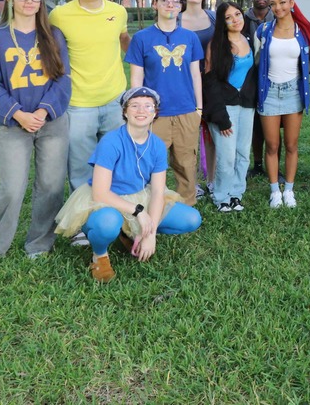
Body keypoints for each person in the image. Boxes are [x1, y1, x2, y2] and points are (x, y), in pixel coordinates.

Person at [54, 87, 202, 283]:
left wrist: (150, 234)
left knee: (192, 219)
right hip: (107, 199)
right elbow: (100, 193)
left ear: (155, 113)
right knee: (107, 224)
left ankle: (130, 234)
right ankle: (100, 255)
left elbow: (158, 191)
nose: (141, 111)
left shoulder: (157, 145)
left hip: (139, 195)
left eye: (148, 106)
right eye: (134, 106)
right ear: (125, 111)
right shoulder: (111, 141)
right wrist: (139, 212)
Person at [0, 0, 71, 263]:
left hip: (51, 123)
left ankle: (39, 243)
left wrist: (42, 112)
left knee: (51, 186)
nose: (30, 1)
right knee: (12, 187)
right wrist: (17, 113)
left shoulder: (53, 35)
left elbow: (63, 79)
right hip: (14, 124)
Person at [49, 0, 129, 245]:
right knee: (81, 167)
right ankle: (83, 223)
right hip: (78, 102)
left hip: (115, 99)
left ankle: (118, 218)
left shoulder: (118, 12)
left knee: (116, 162)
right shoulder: (59, 15)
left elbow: (124, 40)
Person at [126, 0, 204, 206]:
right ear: (155, 4)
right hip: (155, 114)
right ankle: (147, 208)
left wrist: (199, 109)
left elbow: (196, 75)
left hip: (186, 111)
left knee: (186, 164)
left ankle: (185, 207)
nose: (170, 5)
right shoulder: (142, 38)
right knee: (148, 164)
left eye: (175, 1)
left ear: (180, 6)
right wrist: (138, 111)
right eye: (164, 0)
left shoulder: (190, 38)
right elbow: (136, 79)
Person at [254, 0, 310, 208]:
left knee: (291, 144)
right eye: (273, 4)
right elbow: (255, 60)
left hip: (293, 91)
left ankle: (289, 190)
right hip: (269, 92)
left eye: (282, 2)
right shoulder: (263, 30)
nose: (278, 7)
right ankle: (275, 191)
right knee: (272, 145)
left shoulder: (303, 31)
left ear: (291, 4)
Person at [203, 2, 257, 213]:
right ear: (222, 22)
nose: (235, 20)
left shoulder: (249, 39)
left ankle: (236, 194)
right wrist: (220, 116)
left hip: (246, 105)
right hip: (224, 107)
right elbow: (210, 82)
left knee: (243, 154)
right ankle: (221, 197)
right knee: (227, 156)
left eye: (237, 14)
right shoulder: (216, 45)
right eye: (228, 17)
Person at [180, 0, 218, 197]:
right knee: (189, 135)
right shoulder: (176, 19)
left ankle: (212, 180)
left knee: (212, 133)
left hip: (212, 82)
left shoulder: (213, 18)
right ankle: (192, 183)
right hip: (185, 82)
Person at [246, 0, 272, 177]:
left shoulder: (278, 17)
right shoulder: (243, 19)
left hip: (273, 77)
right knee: (254, 123)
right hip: (249, 78)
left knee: (272, 124)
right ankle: (257, 164)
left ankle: (274, 163)